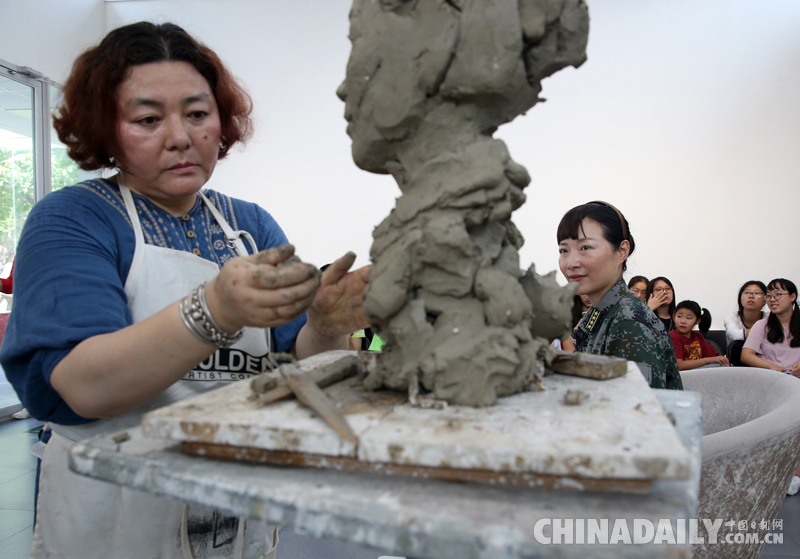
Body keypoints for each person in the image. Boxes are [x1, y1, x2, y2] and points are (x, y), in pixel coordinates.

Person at [0, 22, 369, 559]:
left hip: (232, 507)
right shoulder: (74, 220)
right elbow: (86, 389)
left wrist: (328, 326)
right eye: (148, 119)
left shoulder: (249, 227)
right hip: (116, 510)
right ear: (107, 128)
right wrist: (213, 309)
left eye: (197, 114)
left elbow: (298, 365)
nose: (180, 136)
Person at [557, 201, 682, 390]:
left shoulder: (628, 322)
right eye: (564, 250)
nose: (571, 263)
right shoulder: (600, 313)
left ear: (622, 251)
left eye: (585, 247)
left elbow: (636, 413)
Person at [741, 278, 800, 374]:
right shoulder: (762, 325)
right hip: (771, 377)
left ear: (792, 297)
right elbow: (746, 355)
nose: (772, 299)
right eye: (768, 296)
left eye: (778, 295)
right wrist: (771, 366)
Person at [670, 300, 729, 370]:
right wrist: (709, 360)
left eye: (689, 318)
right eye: (679, 316)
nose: (683, 321)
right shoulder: (672, 337)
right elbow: (679, 365)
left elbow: (714, 356)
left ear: (697, 321)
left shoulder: (697, 336)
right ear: (674, 317)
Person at [724, 280, 767, 347]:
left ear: (765, 300)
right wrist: (763, 332)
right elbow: (736, 335)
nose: (751, 296)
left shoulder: (769, 317)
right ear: (740, 297)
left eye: (757, 293)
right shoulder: (732, 317)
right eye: (746, 292)